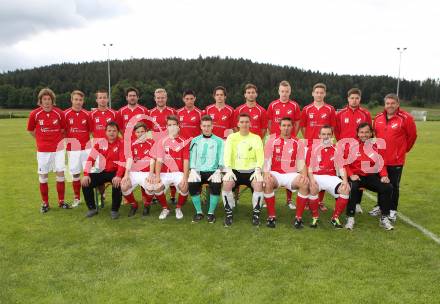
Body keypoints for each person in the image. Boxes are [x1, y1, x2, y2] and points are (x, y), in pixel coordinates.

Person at [370, 93, 417, 221]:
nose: (390, 106)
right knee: (381, 184)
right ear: (384, 105)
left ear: (397, 104)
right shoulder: (378, 118)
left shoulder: (406, 118)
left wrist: (402, 151)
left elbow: (412, 137)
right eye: (387, 103)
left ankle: (392, 210)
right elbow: (375, 136)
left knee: (393, 186)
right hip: (380, 159)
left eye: (392, 103)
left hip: (396, 159)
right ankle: (380, 206)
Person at [27, 88, 71, 213]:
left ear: (52, 101)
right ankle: (45, 203)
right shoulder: (34, 114)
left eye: (49, 99)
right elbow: (31, 130)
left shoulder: (59, 113)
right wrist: (41, 139)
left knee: (60, 174)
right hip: (43, 151)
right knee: (43, 176)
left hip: (58, 150)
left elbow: (63, 129)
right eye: (44, 99)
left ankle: (61, 201)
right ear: (40, 101)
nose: (46, 102)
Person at [345, 123, 394, 230]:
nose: (364, 134)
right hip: (355, 176)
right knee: (352, 188)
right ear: (357, 133)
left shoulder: (376, 146)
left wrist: (384, 176)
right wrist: (351, 174)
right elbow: (345, 163)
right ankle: (350, 217)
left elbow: (381, 164)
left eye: (367, 132)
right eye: (361, 132)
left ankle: (384, 217)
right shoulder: (351, 145)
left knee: (387, 187)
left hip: (370, 175)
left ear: (371, 133)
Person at [263, 117, 309, 228]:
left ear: (292, 127)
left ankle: (298, 218)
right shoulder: (271, 141)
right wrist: (266, 173)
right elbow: (266, 160)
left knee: (304, 183)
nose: (286, 128)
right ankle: (271, 216)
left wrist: (304, 175)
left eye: (289, 125)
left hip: (291, 174)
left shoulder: (298, 143)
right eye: (284, 125)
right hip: (276, 173)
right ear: (279, 127)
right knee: (267, 182)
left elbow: (301, 162)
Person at [303, 125, 350, 229]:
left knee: (346, 189)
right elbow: (309, 167)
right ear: (319, 135)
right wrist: (311, 180)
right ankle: (315, 217)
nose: (326, 136)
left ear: (332, 135)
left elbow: (342, 167)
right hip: (316, 176)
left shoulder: (336, 149)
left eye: (328, 134)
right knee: (313, 188)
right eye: (323, 134)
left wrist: (345, 180)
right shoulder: (312, 148)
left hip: (331, 177)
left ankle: (335, 217)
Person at [222, 113, 264, 227]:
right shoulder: (232, 137)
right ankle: (229, 213)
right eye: (242, 122)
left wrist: (258, 169)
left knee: (259, 185)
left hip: (252, 171)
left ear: (250, 123)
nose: (244, 124)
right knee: (226, 184)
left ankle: (256, 215)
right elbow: (227, 154)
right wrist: (228, 169)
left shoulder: (256, 138)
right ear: (238, 124)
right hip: (235, 170)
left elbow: (260, 156)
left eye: (246, 122)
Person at [300, 83, 337, 211]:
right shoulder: (306, 109)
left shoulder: (330, 109)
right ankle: (306, 200)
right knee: (309, 174)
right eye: (317, 92)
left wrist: (324, 142)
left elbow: (332, 128)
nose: (319, 94)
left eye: (321, 92)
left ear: (324, 94)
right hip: (310, 146)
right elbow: (303, 128)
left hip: (324, 146)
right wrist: (311, 140)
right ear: (313, 93)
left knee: (323, 172)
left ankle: (319, 201)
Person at [335, 88, 372, 214]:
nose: (354, 100)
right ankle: (341, 201)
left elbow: (367, 132)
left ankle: (357, 203)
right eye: (352, 98)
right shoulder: (340, 114)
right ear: (348, 99)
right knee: (342, 176)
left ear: (360, 99)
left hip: (359, 151)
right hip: (344, 149)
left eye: (357, 98)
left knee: (359, 176)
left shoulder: (365, 113)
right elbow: (337, 131)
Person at [266, 80, 301, 209]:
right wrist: (273, 135)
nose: (284, 94)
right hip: (275, 140)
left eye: (286, 91)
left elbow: (297, 122)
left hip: (290, 140)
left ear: (290, 92)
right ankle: (268, 195)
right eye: (282, 91)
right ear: (278, 91)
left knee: (289, 168)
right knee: (272, 166)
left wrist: (292, 137)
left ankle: (289, 200)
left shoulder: (295, 106)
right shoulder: (273, 105)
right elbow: (269, 122)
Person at [81, 121, 124, 219]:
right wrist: (86, 174)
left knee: (117, 183)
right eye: (109, 130)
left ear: (118, 132)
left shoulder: (121, 143)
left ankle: (114, 210)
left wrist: (118, 175)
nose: (112, 133)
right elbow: (90, 159)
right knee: (85, 182)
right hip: (101, 170)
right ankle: (92, 208)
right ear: (105, 132)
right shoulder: (100, 143)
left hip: (115, 171)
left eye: (114, 131)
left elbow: (122, 161)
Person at [116, 87, 151, 206]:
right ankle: (127, 197)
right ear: (126, 97)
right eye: (130, 95)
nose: (132, 97)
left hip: (142, 145)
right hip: (128, 146)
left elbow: (148, 127)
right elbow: (119, 128)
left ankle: (145, 197)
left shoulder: (144, 110)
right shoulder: (120, 111)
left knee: (143, 169)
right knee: (128, 169)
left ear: (138, 97)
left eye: (134, 95)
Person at [151, 115, 190, 220]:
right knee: (156, 186)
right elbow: (159, 160)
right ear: (166, 127)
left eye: (174, 124)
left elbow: (186, 161)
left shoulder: (184, 141)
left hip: (178, 172)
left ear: (178, 126)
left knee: (184, 186)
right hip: (165, 173)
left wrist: (185, 177)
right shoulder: (161, 141)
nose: (172, 127)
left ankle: (178, 208)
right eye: (169, 125)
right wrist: (157, 176)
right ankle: (165, 208)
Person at [188, 115, 224, 223]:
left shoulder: (219, 141)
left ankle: (211, 213)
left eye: (209, 126)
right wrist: (192, 169)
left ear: (212, 126)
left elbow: (222, 157)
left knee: (216, 184)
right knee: (192, 183)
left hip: (213, 171)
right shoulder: (195, 140)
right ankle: (199, 212)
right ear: (201, 127)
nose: (207, 128)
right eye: (204, 126)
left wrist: (219, 170)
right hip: (198, 171)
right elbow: (192, 156)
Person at [120, 122, 156, 217]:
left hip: (147, 172)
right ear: (135, 133)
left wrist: (151, 173)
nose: (140, 134)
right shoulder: (131, 144)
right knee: (123, 186)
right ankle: (134, 204)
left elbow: (153, 159)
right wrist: (126, 175)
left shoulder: (152, 142)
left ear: (146, 132)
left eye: (143, 132)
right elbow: (129, 159)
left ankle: (147, 204)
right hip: (134, 172)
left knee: (151, 186)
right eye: (138, 132)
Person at [89, 89, 118, 206]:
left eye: (104, 97)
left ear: (108, 99)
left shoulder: (113, 113)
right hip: (98, 149)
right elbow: (91, 131)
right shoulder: (91, 114)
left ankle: (117, 196)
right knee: (97, 174)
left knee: (113, 172)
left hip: (112, 149)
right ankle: (102, 195)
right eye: (100, 97)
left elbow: (117, 130)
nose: (102, 99)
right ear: (96, 100)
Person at [64, 90, 91, 207]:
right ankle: (77, 198)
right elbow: (63, 131)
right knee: (75, 174)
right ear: (71, 100)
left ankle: (90, 198)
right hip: (73, 150)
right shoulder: (65, 114)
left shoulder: (87, 114)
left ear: (83, 101)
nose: (78, 102)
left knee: (88, 174)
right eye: (76, 99)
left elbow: (90, 131)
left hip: (86, 149)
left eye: (80, 100)